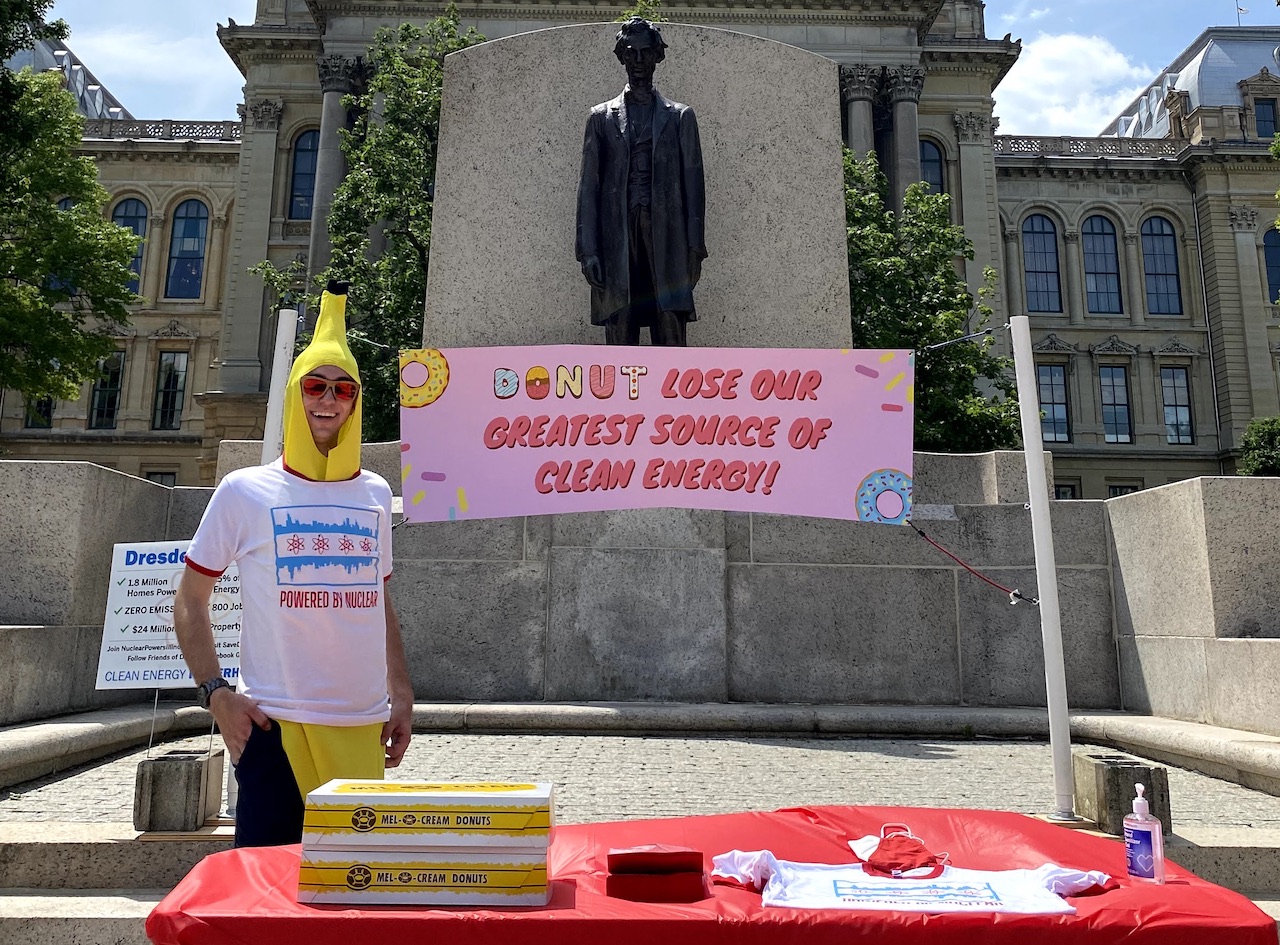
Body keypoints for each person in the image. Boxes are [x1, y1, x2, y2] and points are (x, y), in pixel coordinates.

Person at [174, 281, 413, 848]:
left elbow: (378, 600)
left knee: (351, 904)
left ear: (356, 401)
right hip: (273, 729)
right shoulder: (244, 490)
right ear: (293, 395)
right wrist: (215, 693)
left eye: (343, 389)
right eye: (315, 385)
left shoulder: (376, 493)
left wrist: (400, 690)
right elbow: (189, 600)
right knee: (264, 908)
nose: (328, 400)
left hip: (361, 730)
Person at [575, 16, 707, 346]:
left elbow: (695, 186)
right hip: (616, 236)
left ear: (657, 57)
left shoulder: (680, 117)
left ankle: (674, 397)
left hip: (668, 236)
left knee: (669, 324)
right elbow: (588, 189)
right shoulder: (601, 118)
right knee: (621, 323)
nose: (637, 61)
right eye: (630, 53)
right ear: (620, 56)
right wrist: (587, 251)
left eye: (645, 53)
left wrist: (695, 247)